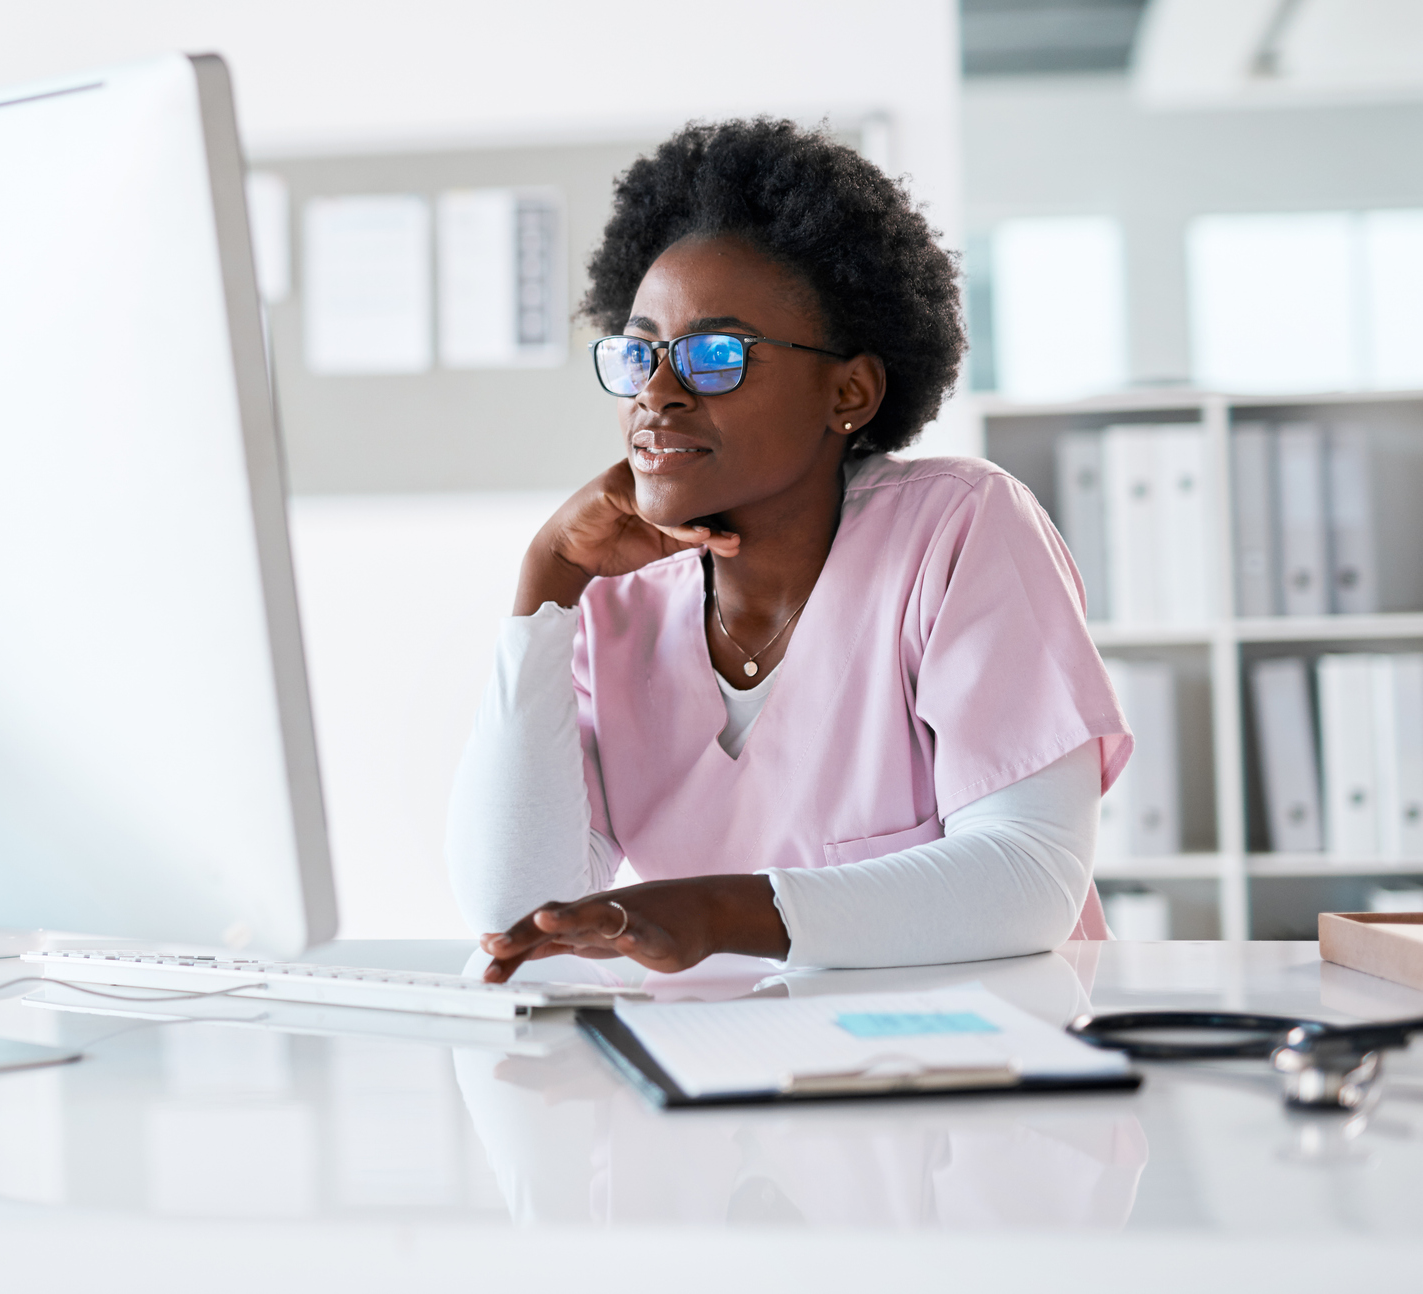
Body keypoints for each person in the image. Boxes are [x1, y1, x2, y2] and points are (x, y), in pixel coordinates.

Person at [448, 118, 1131, 981]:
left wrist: (721, 910)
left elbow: (1029, 876)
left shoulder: (958, 529)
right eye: (640, 353)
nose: (657, 393)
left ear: (848, 390)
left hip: (977, 1072)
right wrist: (547, 580)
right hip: (724, 1079)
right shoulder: (615, 603)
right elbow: (517, 912)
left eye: (715, 354)